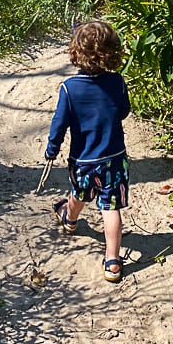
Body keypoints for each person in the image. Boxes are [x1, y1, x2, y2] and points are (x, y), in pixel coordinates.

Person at [44, 20, 130, 283]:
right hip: (114, 158)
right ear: (112, 51)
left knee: (80, 192)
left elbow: (60, 123)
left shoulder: (70, 88)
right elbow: (124, 111)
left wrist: (52, 148)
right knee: (111, 206)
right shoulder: (116, 82)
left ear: (75, 53)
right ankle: (113, 261)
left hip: (83, 159)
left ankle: (69, 220)